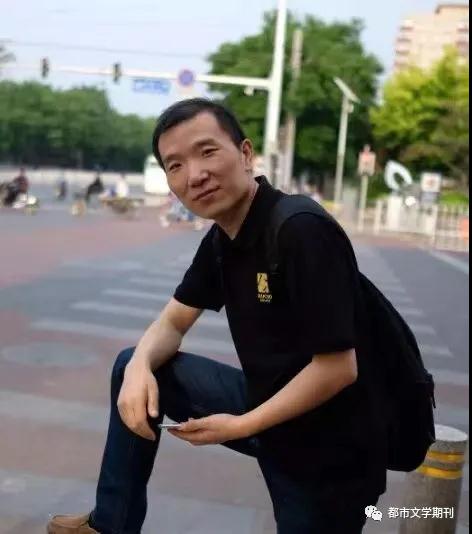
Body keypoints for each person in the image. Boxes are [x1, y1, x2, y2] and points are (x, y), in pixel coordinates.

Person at [47, 98, 387, 534]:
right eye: (175, 165)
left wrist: (240, 426)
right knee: (134, 363)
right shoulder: (223, 238)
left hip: (331, 442)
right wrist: (138, 368)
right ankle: (110, 525)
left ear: (246, 154)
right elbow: (173, 322)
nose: (195, 175)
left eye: (207, 152)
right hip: (268, 405)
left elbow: (338, 368)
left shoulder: (300, 229)